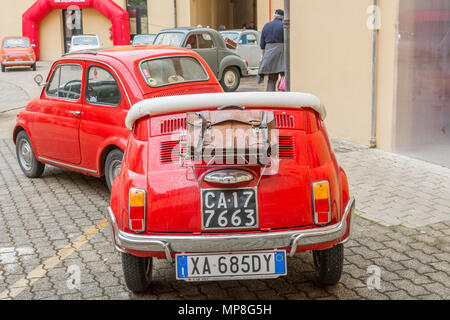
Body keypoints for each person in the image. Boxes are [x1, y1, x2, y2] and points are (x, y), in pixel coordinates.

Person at [257, 9, 285, 91]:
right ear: (283, 17)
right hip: (282, 52)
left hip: (270, 52)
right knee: (284, 76)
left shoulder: (267, 25)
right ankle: (285, 97)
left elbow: (262, 44)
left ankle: (270, 98)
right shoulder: (284, 26)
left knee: (272, 79)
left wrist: (264, 55)